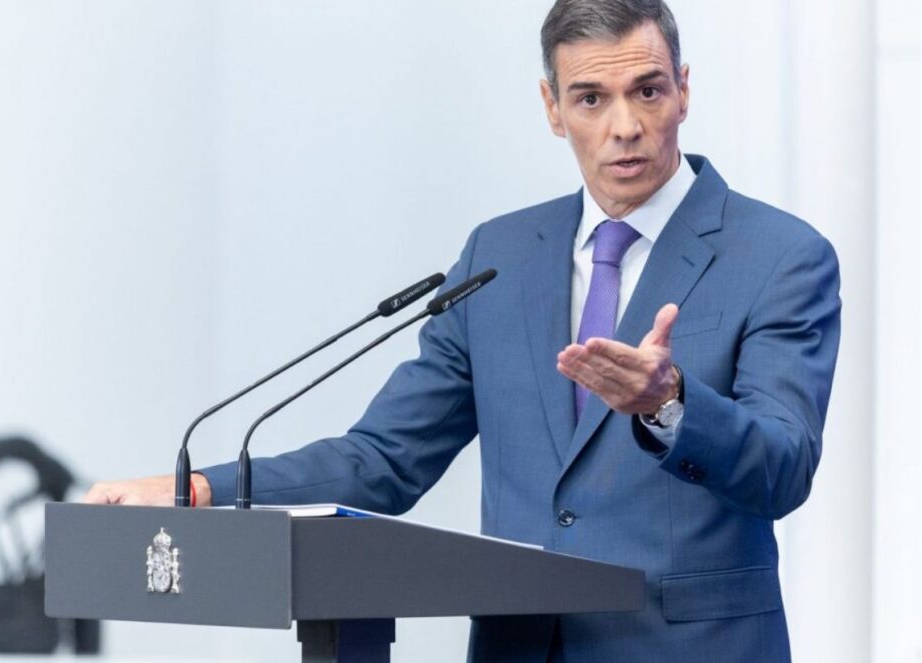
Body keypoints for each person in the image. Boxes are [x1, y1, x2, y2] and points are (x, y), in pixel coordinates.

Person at [84, 1, 841, 660]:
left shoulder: (780, 257)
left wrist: (670, 402)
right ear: (552, 107)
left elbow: (784, 467)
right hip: (521, 647)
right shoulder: (500, 257)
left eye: (647, 90)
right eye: (590, 98)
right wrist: (202, 490)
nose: (624, 126)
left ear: (683, 90)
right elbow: (383, 459)